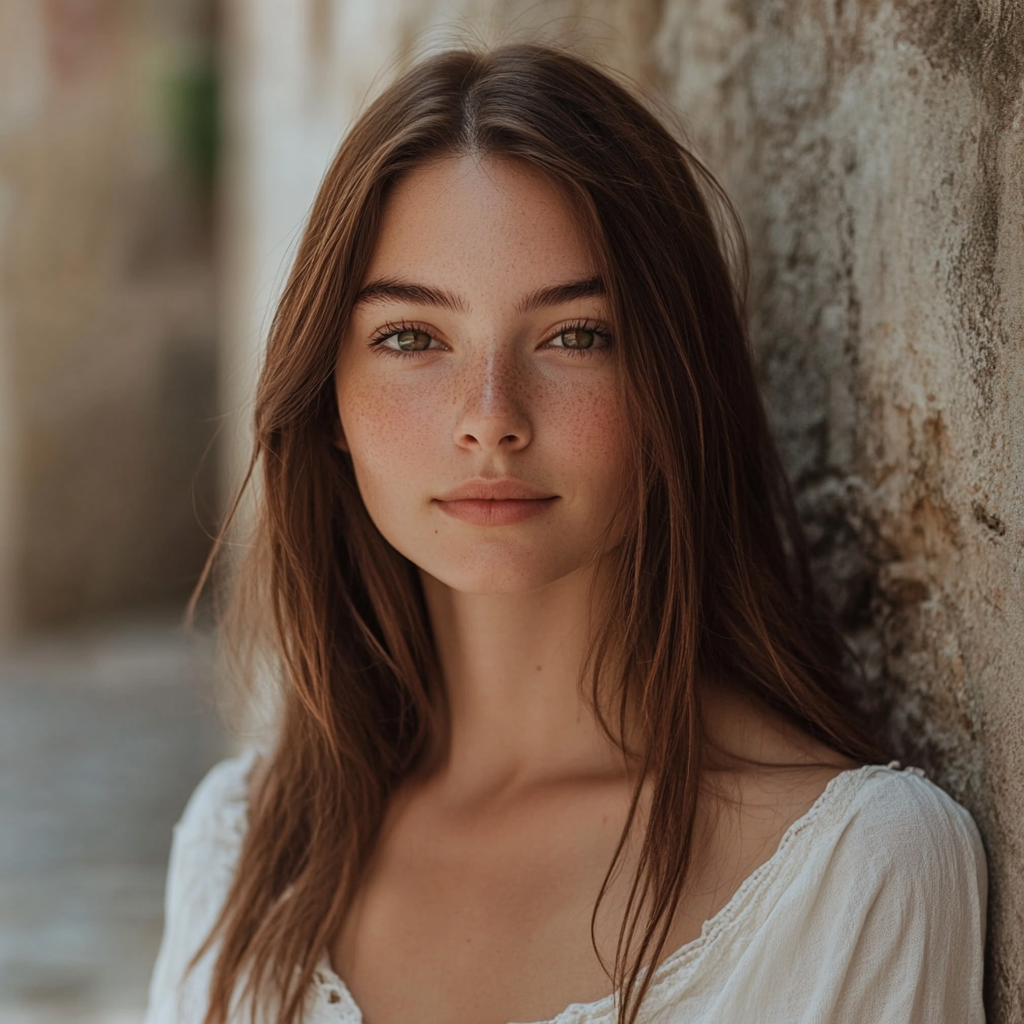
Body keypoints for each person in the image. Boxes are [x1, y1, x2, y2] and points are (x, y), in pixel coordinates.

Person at [143, 43, 987, 1024]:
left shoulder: (854, 871)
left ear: (672, 389)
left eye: (574, 335)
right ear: (327, 399)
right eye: (412, 338)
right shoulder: (241, 851)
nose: (491, 416)